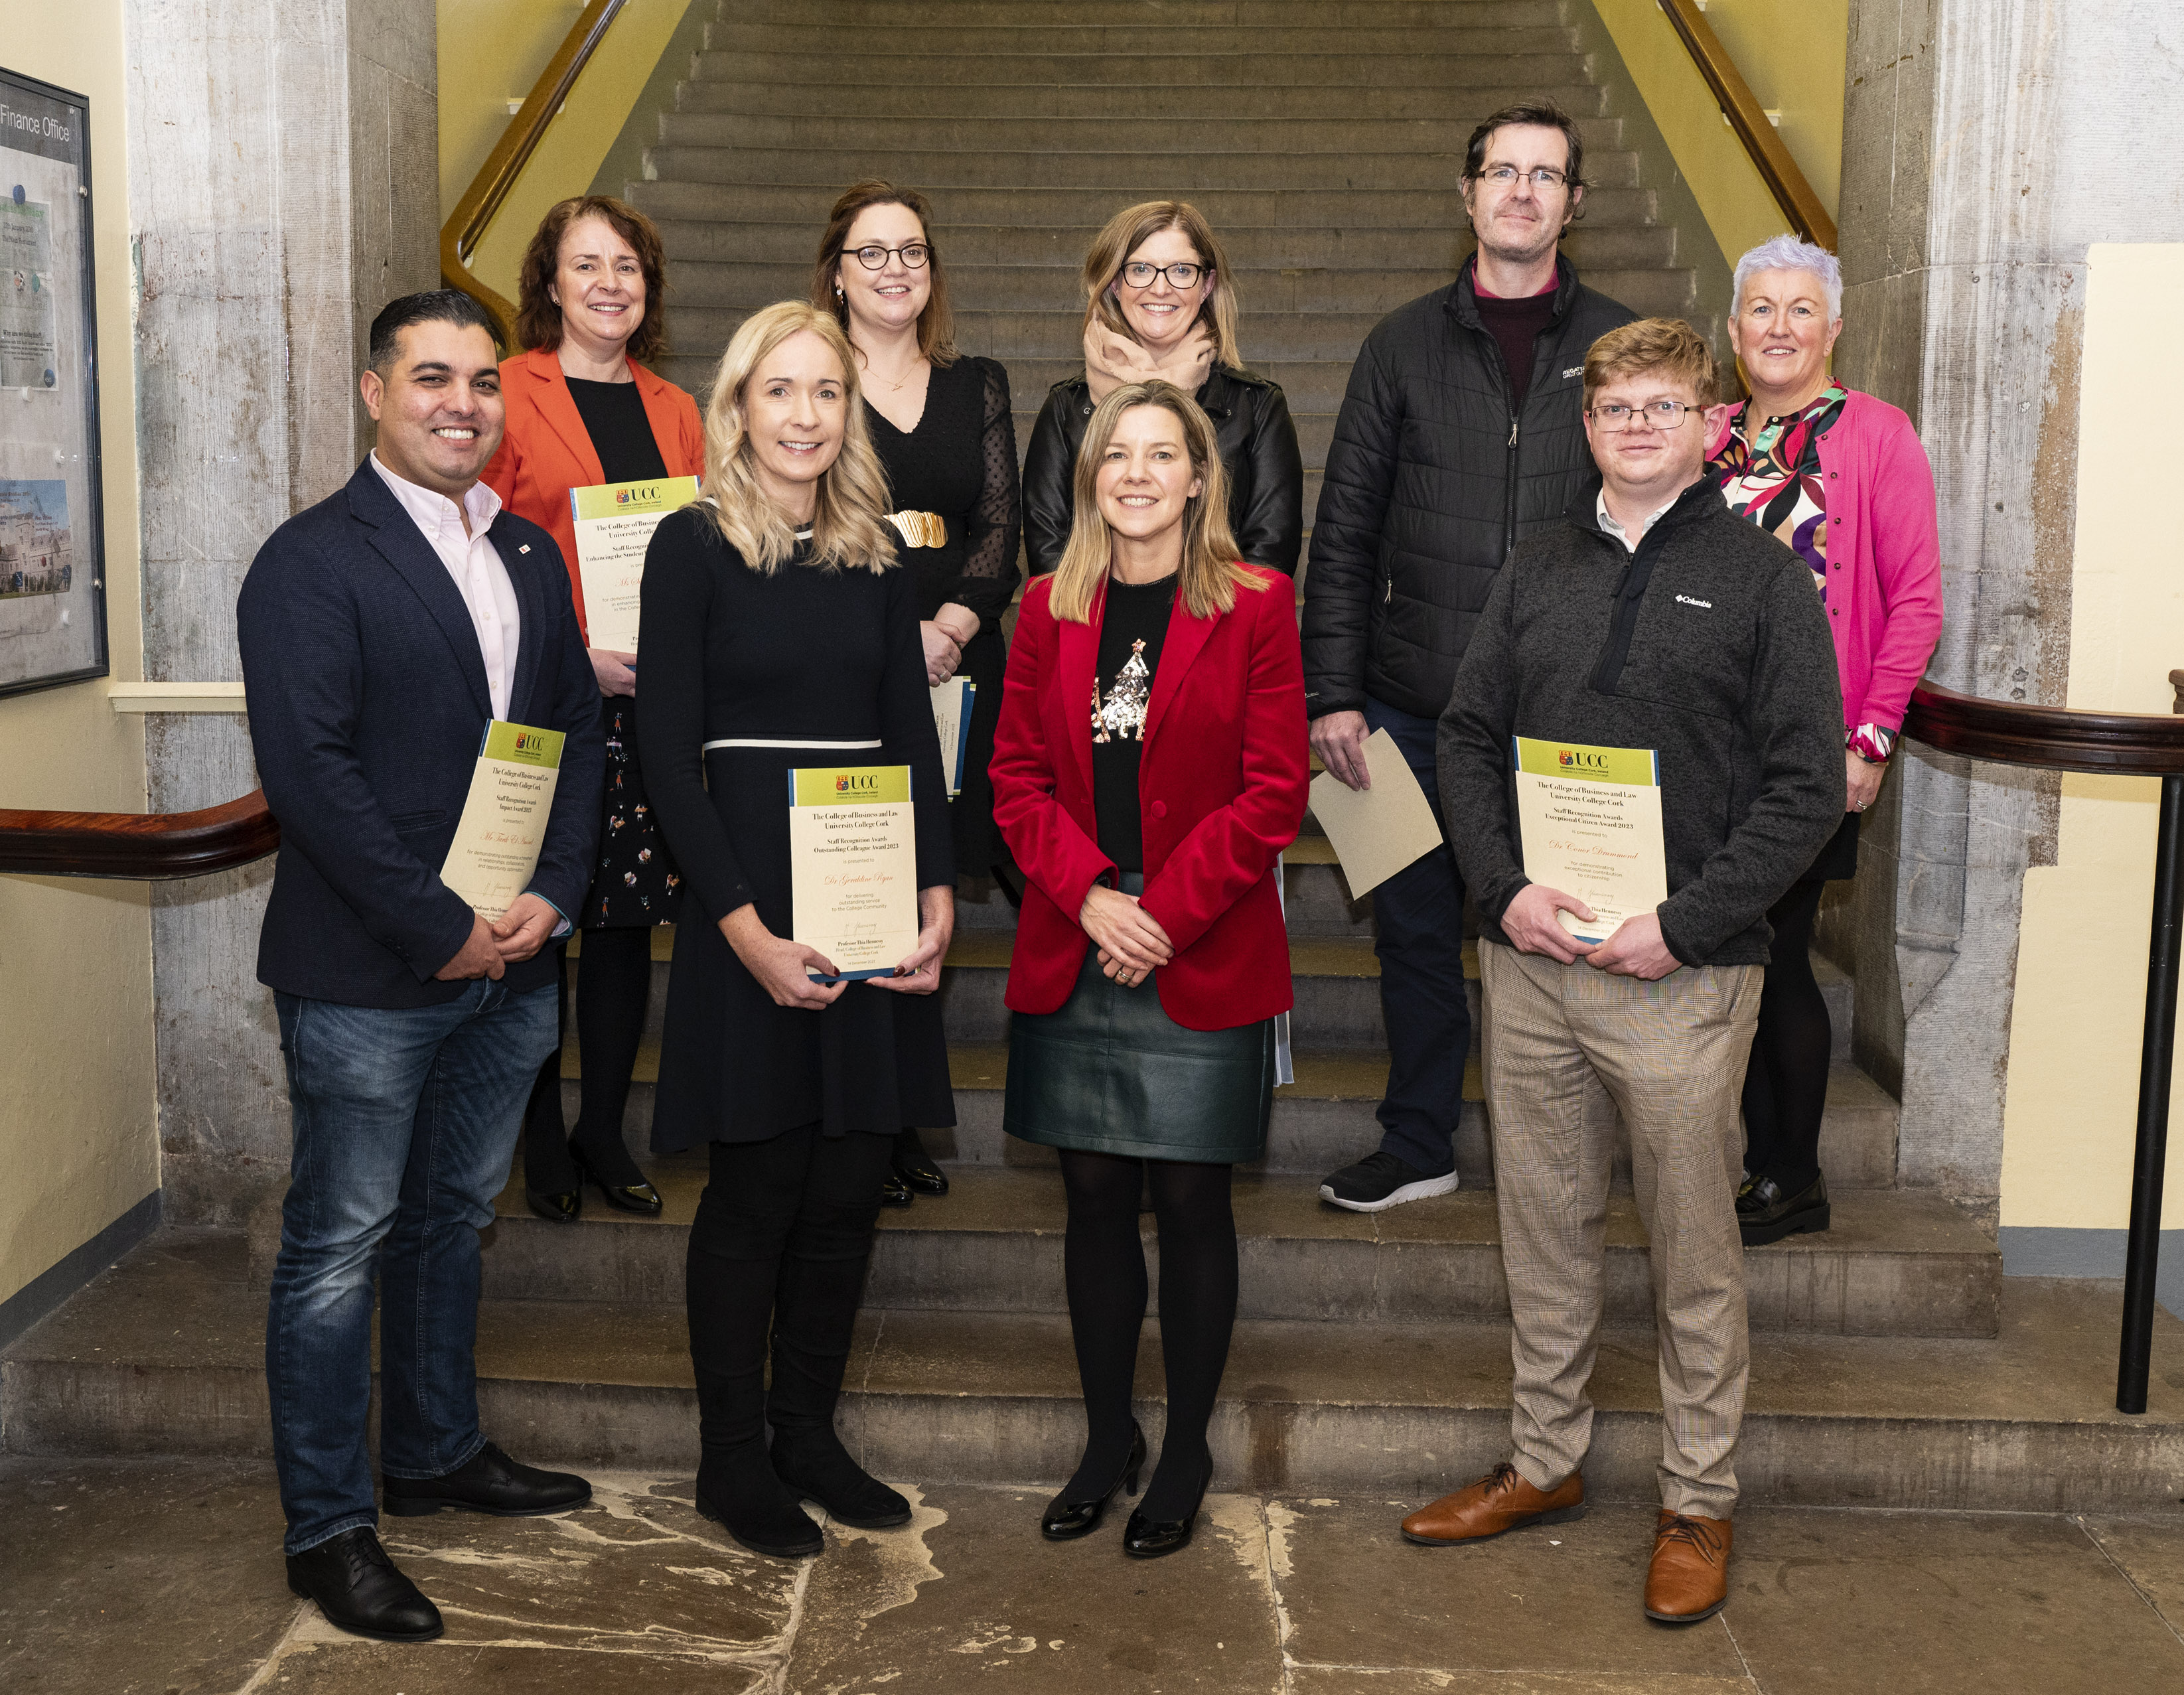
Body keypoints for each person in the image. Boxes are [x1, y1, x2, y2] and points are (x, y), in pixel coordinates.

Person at [1415, 318, 1843, 1624]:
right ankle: (1544, 1463)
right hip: (1536, 960)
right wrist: (1503, 888)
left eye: (1662, 406)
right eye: (1615, 410)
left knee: (1691, 1248)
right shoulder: (1535, 562)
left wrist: (1691, 919)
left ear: (1710, 424)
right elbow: (1468, 735)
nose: (1637, 427)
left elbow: (1805, 784)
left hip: (1681, 972)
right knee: (1540, 1229)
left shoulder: (1763, 577)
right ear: (1585, 427)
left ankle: (1695, 1496)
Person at [236, 289, 605, 1641]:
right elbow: (313, 781)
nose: (462, 403)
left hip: (510, 965)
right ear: (373, 393)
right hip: (369, 974)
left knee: (455, 1216)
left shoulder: (524, 548)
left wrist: (554, 892)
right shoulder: (309, 560)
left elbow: (568, 729)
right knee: (340, 1246)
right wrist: (440, 923)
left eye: (481, 383)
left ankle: (436, 1447)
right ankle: (329, 1526)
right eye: (432, 377)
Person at [636, 299, 956, 1560]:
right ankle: (731, 1459)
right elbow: (666, 752)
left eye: (828, 393)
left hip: (866, 875)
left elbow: (905, 734)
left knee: (845, 1184)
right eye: (783, 392)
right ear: (740, 407)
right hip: (746, 889)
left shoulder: (878, 556)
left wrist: (933, 888)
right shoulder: (691, 545)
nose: (808, 415)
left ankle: (807, 1432)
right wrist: (742, 929)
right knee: (757, 1184)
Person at [991, 381, 1309, 1558]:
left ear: (1196, 476)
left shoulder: (1258, 603)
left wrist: (1157, 910)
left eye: (1159, 453)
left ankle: (1184, 1444)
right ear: (1089, 476)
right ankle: (1103, 1431)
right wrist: (1086, 893)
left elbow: (1274, 789)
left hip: (1198, 938)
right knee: (1089, 1198)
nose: (1134, 472)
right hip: (1077, 932)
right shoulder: (1044, 605)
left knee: (1188, 1199)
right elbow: (1015, 778)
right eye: (1113, 453)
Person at [1302, 100, 1636, 1214]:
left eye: (1547, 175)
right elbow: (1344, 530)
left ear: (1574, 203)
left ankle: (1561, 1162)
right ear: (1468, 192)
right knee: (1408, 930)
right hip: (1401, 708)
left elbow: (1655, 527)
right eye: (1503, 171)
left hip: (1559, 722)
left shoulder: (1620, 347)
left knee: (1553, 940)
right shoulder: (1398, 344)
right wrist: (1333, 692)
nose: (1523, 192)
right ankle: (1418, 1139)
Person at [1705, 236, 1943, 1246]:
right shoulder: (1702, 433)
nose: (1778, 327)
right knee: (1722, 952)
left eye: (1800, 309)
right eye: (1760, 308)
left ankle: (1789, 1175)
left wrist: (1869, 741)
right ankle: (1737, 1166)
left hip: (1809, 748)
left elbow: (1915, 601)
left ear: (1832, 328)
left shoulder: (1877, 435)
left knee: (1776, 955)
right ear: (1731, 330)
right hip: (1699, 746)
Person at [482, 193, 706, 1224]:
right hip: (537, 697)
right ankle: (537, 1133)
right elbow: (480, 550)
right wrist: (579, 653)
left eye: (627, 265)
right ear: (551, 283)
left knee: (622, 926)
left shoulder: (674, 406)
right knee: (540, 922)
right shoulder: (509, 393)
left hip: (645, 701)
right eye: (587, 265)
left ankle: (603, 1125)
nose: (610, 283)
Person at [811, 179, 1022, 1206]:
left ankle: (902, 1109)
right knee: (861, 874)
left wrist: (950, 626)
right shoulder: (810, 383)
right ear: (837, 272)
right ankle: (863, 1114)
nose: (895, 268)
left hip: (955, 665)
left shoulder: (976, 382)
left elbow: (998, 527)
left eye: (911, 251)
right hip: (842, 666)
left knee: (929, 877)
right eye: (873, 251)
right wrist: (894, 639)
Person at [1022, 200, 1302, 578]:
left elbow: (1268, 553)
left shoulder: (1258, 406)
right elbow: (1049, 551)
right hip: (1094, 627)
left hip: (1217, 627)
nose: (1160, 288)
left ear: (1207, 286)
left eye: (1182, 271)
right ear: (1115, 283)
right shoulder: (1066, 408)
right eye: (1140, 269)